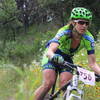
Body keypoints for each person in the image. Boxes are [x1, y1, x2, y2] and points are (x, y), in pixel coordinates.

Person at [34, 7, 100, 100]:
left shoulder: (89, 38)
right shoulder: (64, 32)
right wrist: (53, 56)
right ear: (73, 22)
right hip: (53, 55)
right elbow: (50, 51)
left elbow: (92, 63)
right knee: (48, 83)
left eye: (87, 23)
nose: (84, 26)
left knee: (66, 85)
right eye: (81, 22)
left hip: (66, 58)